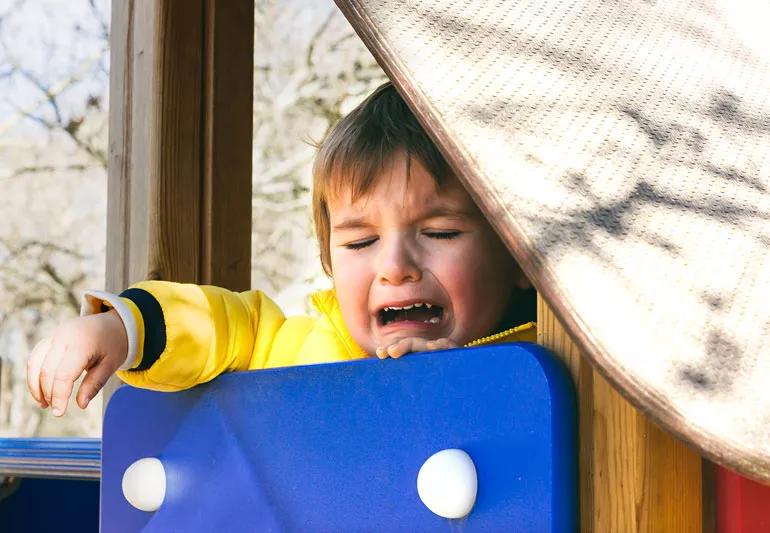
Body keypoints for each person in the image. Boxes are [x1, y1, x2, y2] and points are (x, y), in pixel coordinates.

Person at [26, 82, 536, 417]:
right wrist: (122, 326)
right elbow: (219, 325)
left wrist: (465, 384)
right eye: (360, 241)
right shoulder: (293, 348)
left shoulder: (553, 365)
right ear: (328, 261)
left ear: (518, 255)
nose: (395, 267)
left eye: (440, 233)